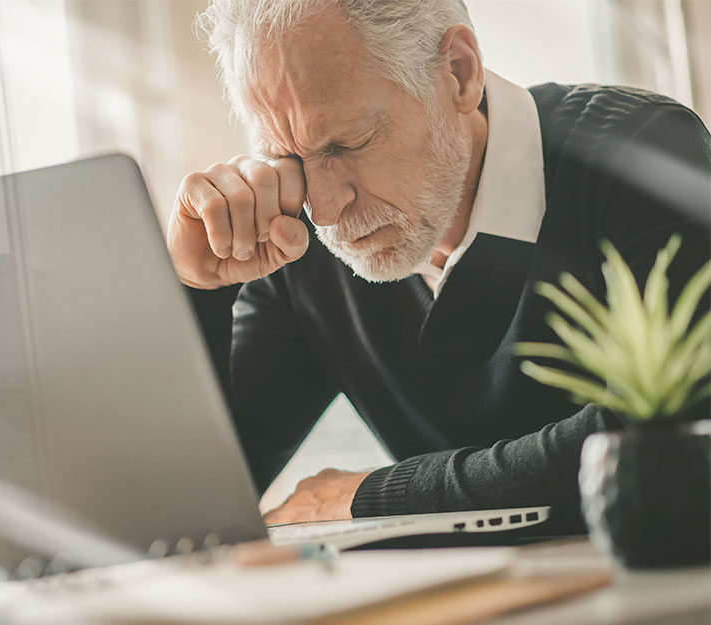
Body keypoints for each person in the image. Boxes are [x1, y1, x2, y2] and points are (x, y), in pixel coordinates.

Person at [166, 0, 711, 533]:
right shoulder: (298, 239)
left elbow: (671, 439)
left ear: (459, 73)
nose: (325, 209)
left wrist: (378, 496)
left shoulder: (645, 154)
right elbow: (187, 509)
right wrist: (199, 290)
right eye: (286, 158)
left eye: (345, 144)